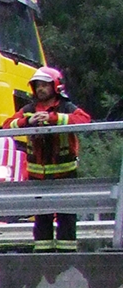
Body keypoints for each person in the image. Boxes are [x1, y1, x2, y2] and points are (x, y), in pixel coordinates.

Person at [5, 66, 90, 252]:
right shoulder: (29, 109)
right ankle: (43, 255)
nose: (41, 89)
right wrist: (27, 121)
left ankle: (67, 255)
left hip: (65, 174)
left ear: (55, 86)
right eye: (38, 85)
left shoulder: (66, 107)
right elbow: (7, 125)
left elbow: (84, 120)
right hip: (37, 176)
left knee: (66, 215)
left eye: (45, 85)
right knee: (42, 216)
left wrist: (53, 118)